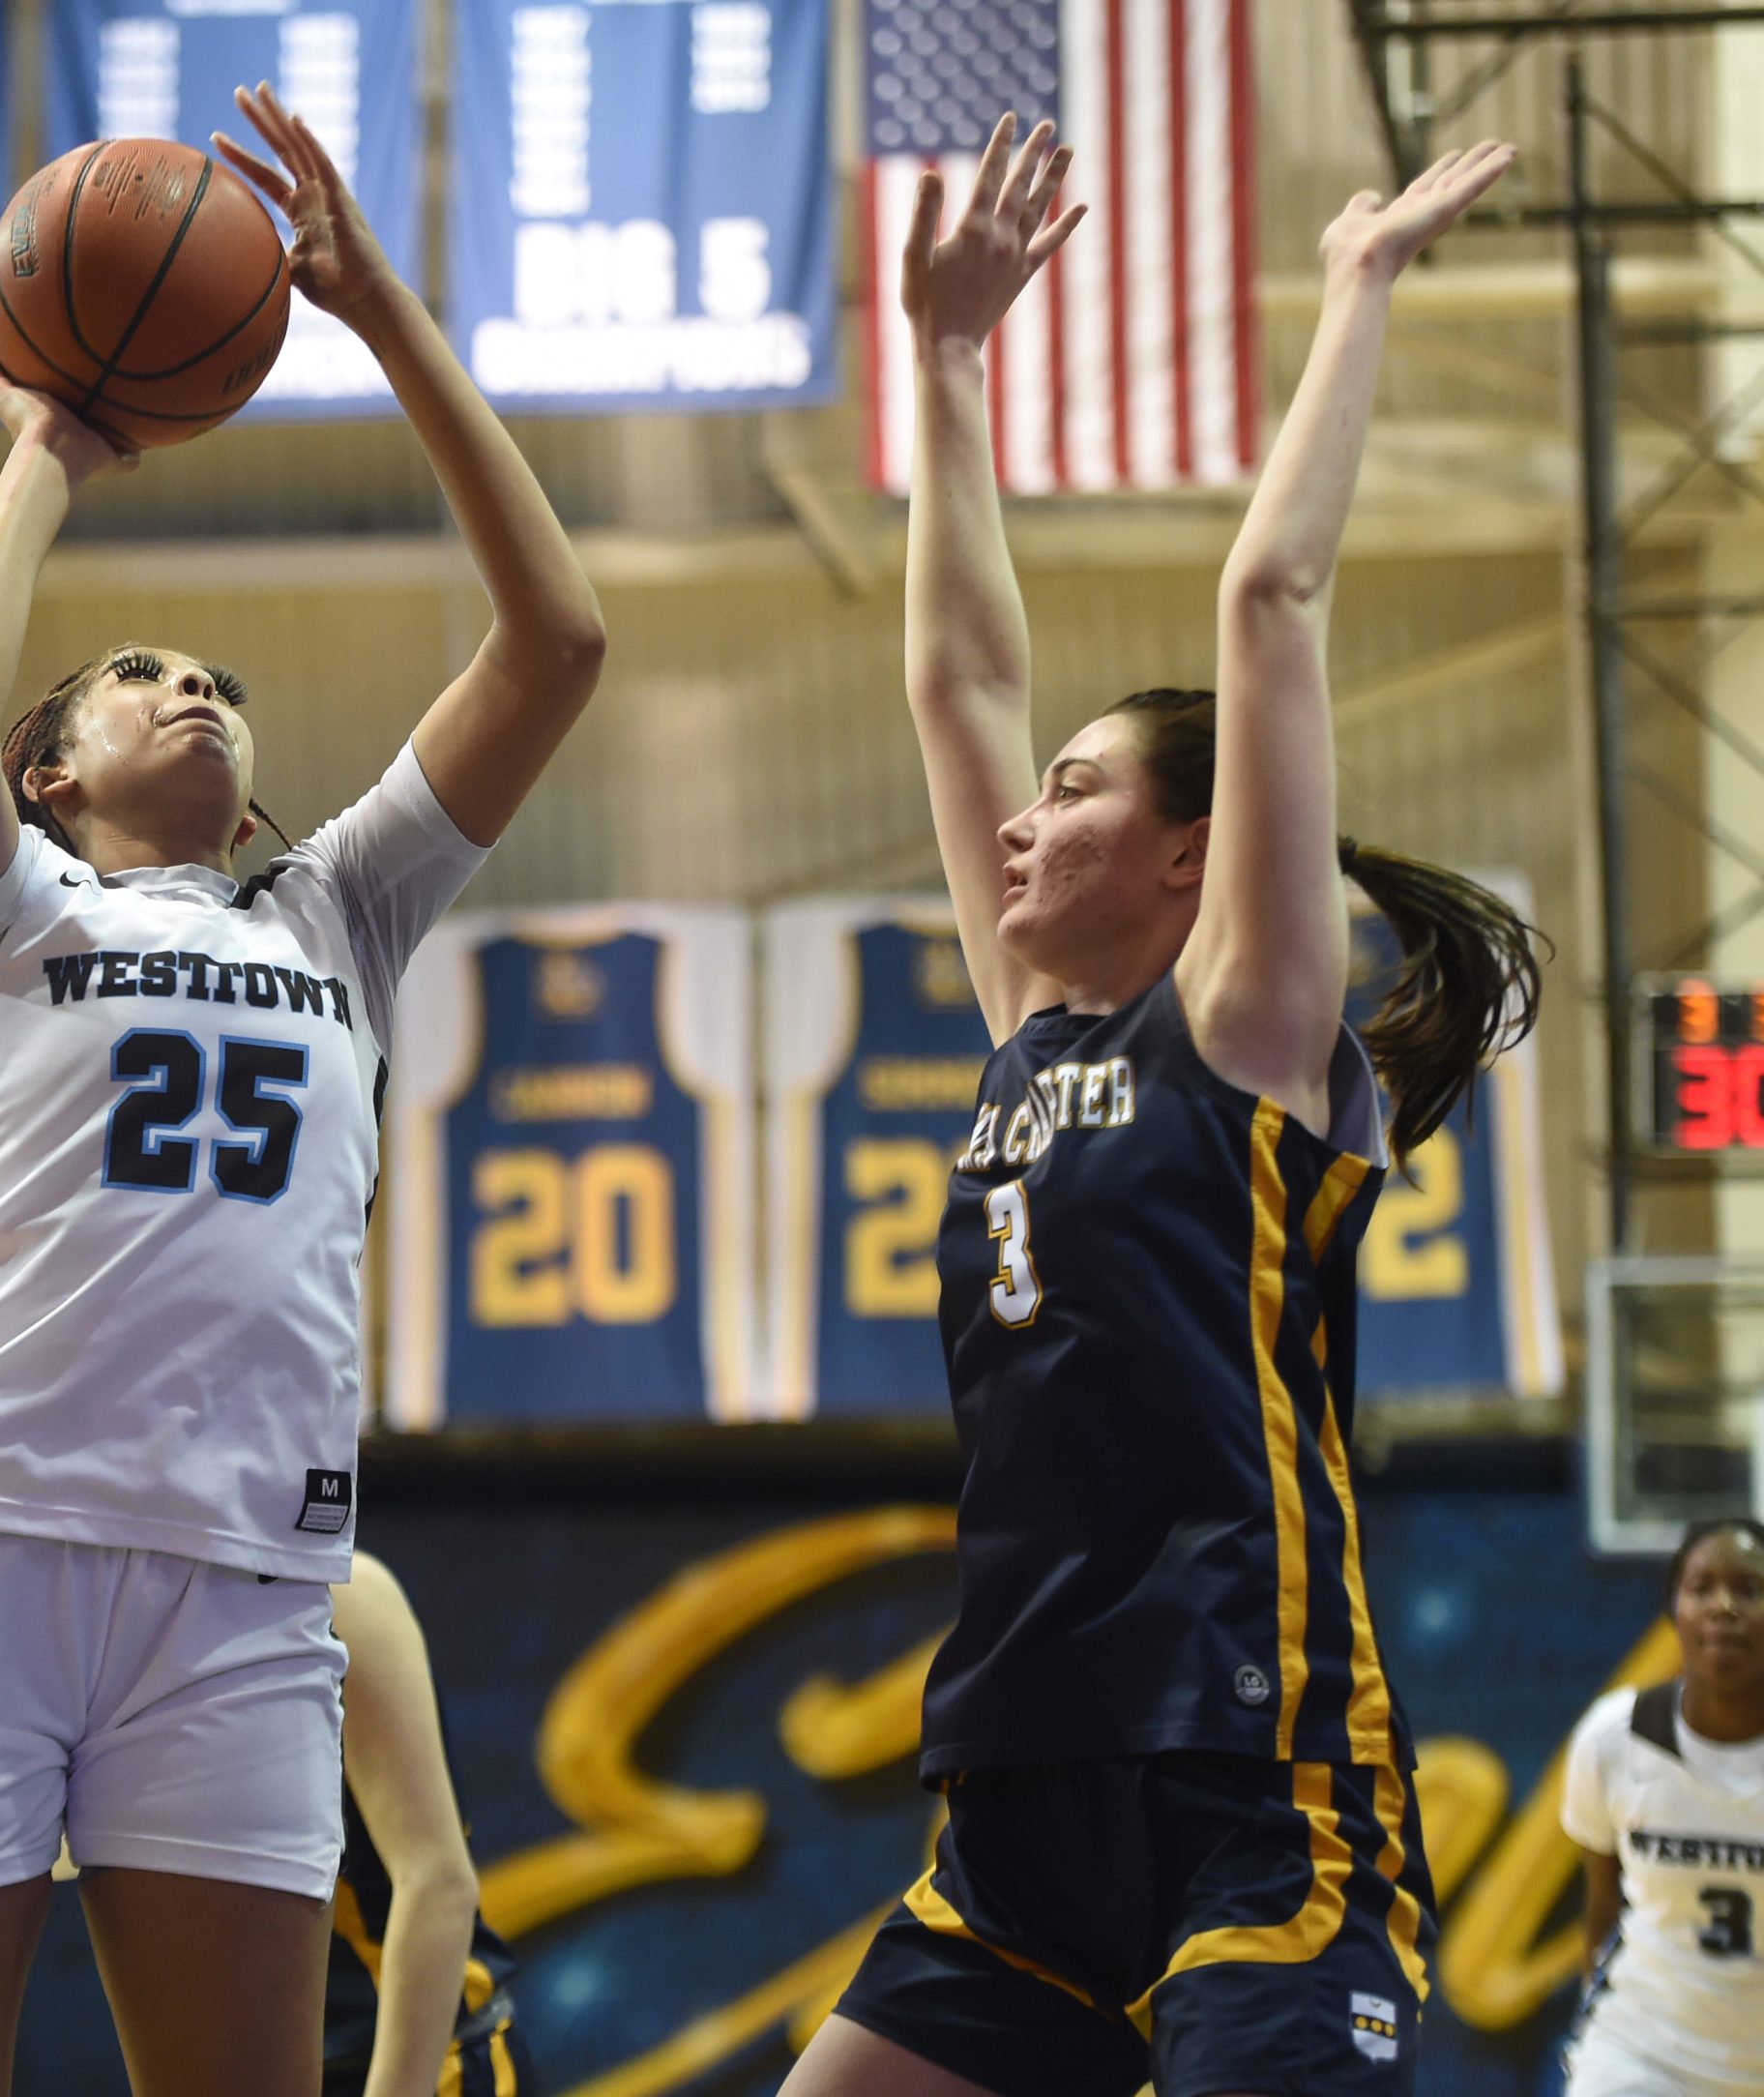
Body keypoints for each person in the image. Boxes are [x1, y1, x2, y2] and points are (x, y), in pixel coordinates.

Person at [0, 81, 601, 2097]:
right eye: (140, 674)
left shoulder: (337, 907)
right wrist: (53, 450)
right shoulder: (10, 909)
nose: (199, 690)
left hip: (248, 1582)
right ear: (49, 771)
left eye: (219, 685)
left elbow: (558, 637)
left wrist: (382, 315)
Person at [782, 117, 1540, 2097]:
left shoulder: (1252, 1029)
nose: (1019, 819)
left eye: (1076, 793)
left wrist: (1355, 285)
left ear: (1189, 856)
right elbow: (952, 679)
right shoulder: (1030, 1023)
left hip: (1250, 1778)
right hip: (1020, 1787)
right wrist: (942, 368)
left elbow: (1268, 598)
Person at [0, 1552, 532, 2097]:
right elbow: (73, 1846)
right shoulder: (157, 1615)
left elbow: (437, 1880)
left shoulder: (344, 1590)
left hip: (428, 2058)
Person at [1560, 1520, 1764, 2097]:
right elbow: (1602, 1908)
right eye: (1702, 1588)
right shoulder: (1614, 1737)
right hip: (1644, 2055)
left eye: (1749, 1589)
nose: (1724, 1606)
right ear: (1674, 1612)